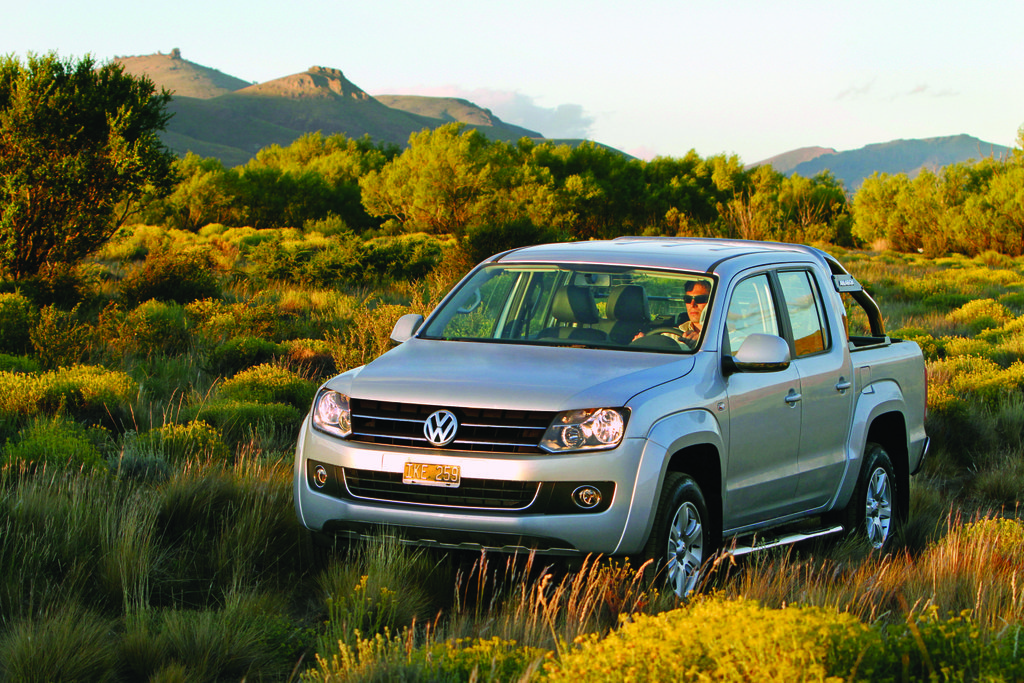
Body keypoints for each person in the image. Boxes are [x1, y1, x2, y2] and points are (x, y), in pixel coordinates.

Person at [634, 279, 712, 346]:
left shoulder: (716, 335)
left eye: (700, 299)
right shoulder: (673, 333)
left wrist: (702, 342)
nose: (692, 304)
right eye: (688, 299)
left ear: (712, 301)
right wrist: (641, 343)